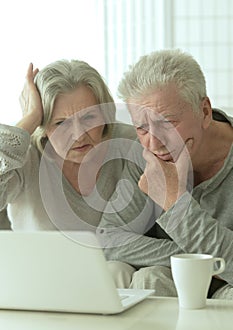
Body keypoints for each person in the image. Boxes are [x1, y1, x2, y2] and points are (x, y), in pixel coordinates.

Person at [97, 49, 233, 299]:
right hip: (177, 283)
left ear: (204, 111)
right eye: (141, 127)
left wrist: (175, 203)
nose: (154, 143)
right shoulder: (148, 156)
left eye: (167, 123)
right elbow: (109, 238)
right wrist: (192, 259)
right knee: (145, 277)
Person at [0, 59, 139, 239]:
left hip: (115, 266)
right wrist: (30, 117)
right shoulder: (25, 157)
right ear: (43, 126)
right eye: (61, 123)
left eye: (88, 117)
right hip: (40, 266)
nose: (78, 135)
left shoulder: (129, 144)